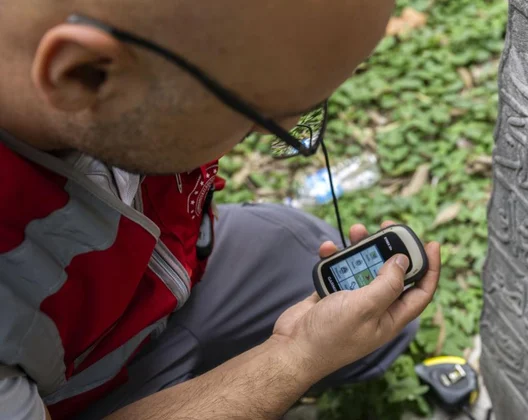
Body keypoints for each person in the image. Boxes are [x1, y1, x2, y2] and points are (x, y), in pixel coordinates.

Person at [0, 0, 441, 419]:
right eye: (265, 117)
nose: (293, 132)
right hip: (66, 390)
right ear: (87, 75)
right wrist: (296, 356)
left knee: (373, 318)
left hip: (166, 286)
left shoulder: (133, 89)